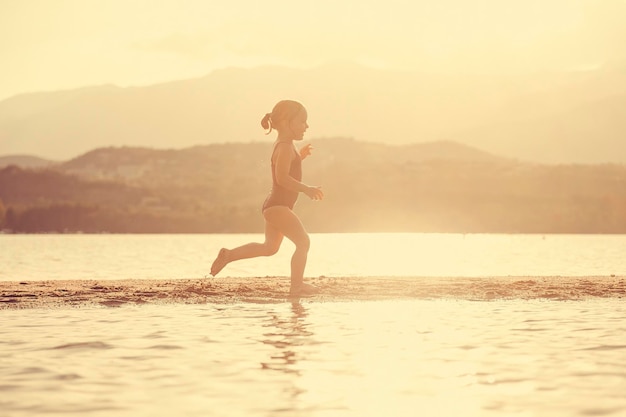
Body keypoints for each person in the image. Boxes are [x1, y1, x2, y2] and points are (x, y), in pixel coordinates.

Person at [210, 100, 324, 296]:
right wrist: (306, 189)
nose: (307, 126)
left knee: (269, 247)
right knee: (303, 242)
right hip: (278, 207)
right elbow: (282, 178)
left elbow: (287, 169)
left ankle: (229, 255)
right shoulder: (286, 147)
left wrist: (301, 157)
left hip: (274, 207)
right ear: (287, 122)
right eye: (303, 121)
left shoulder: (286, 146)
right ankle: (297, 287)